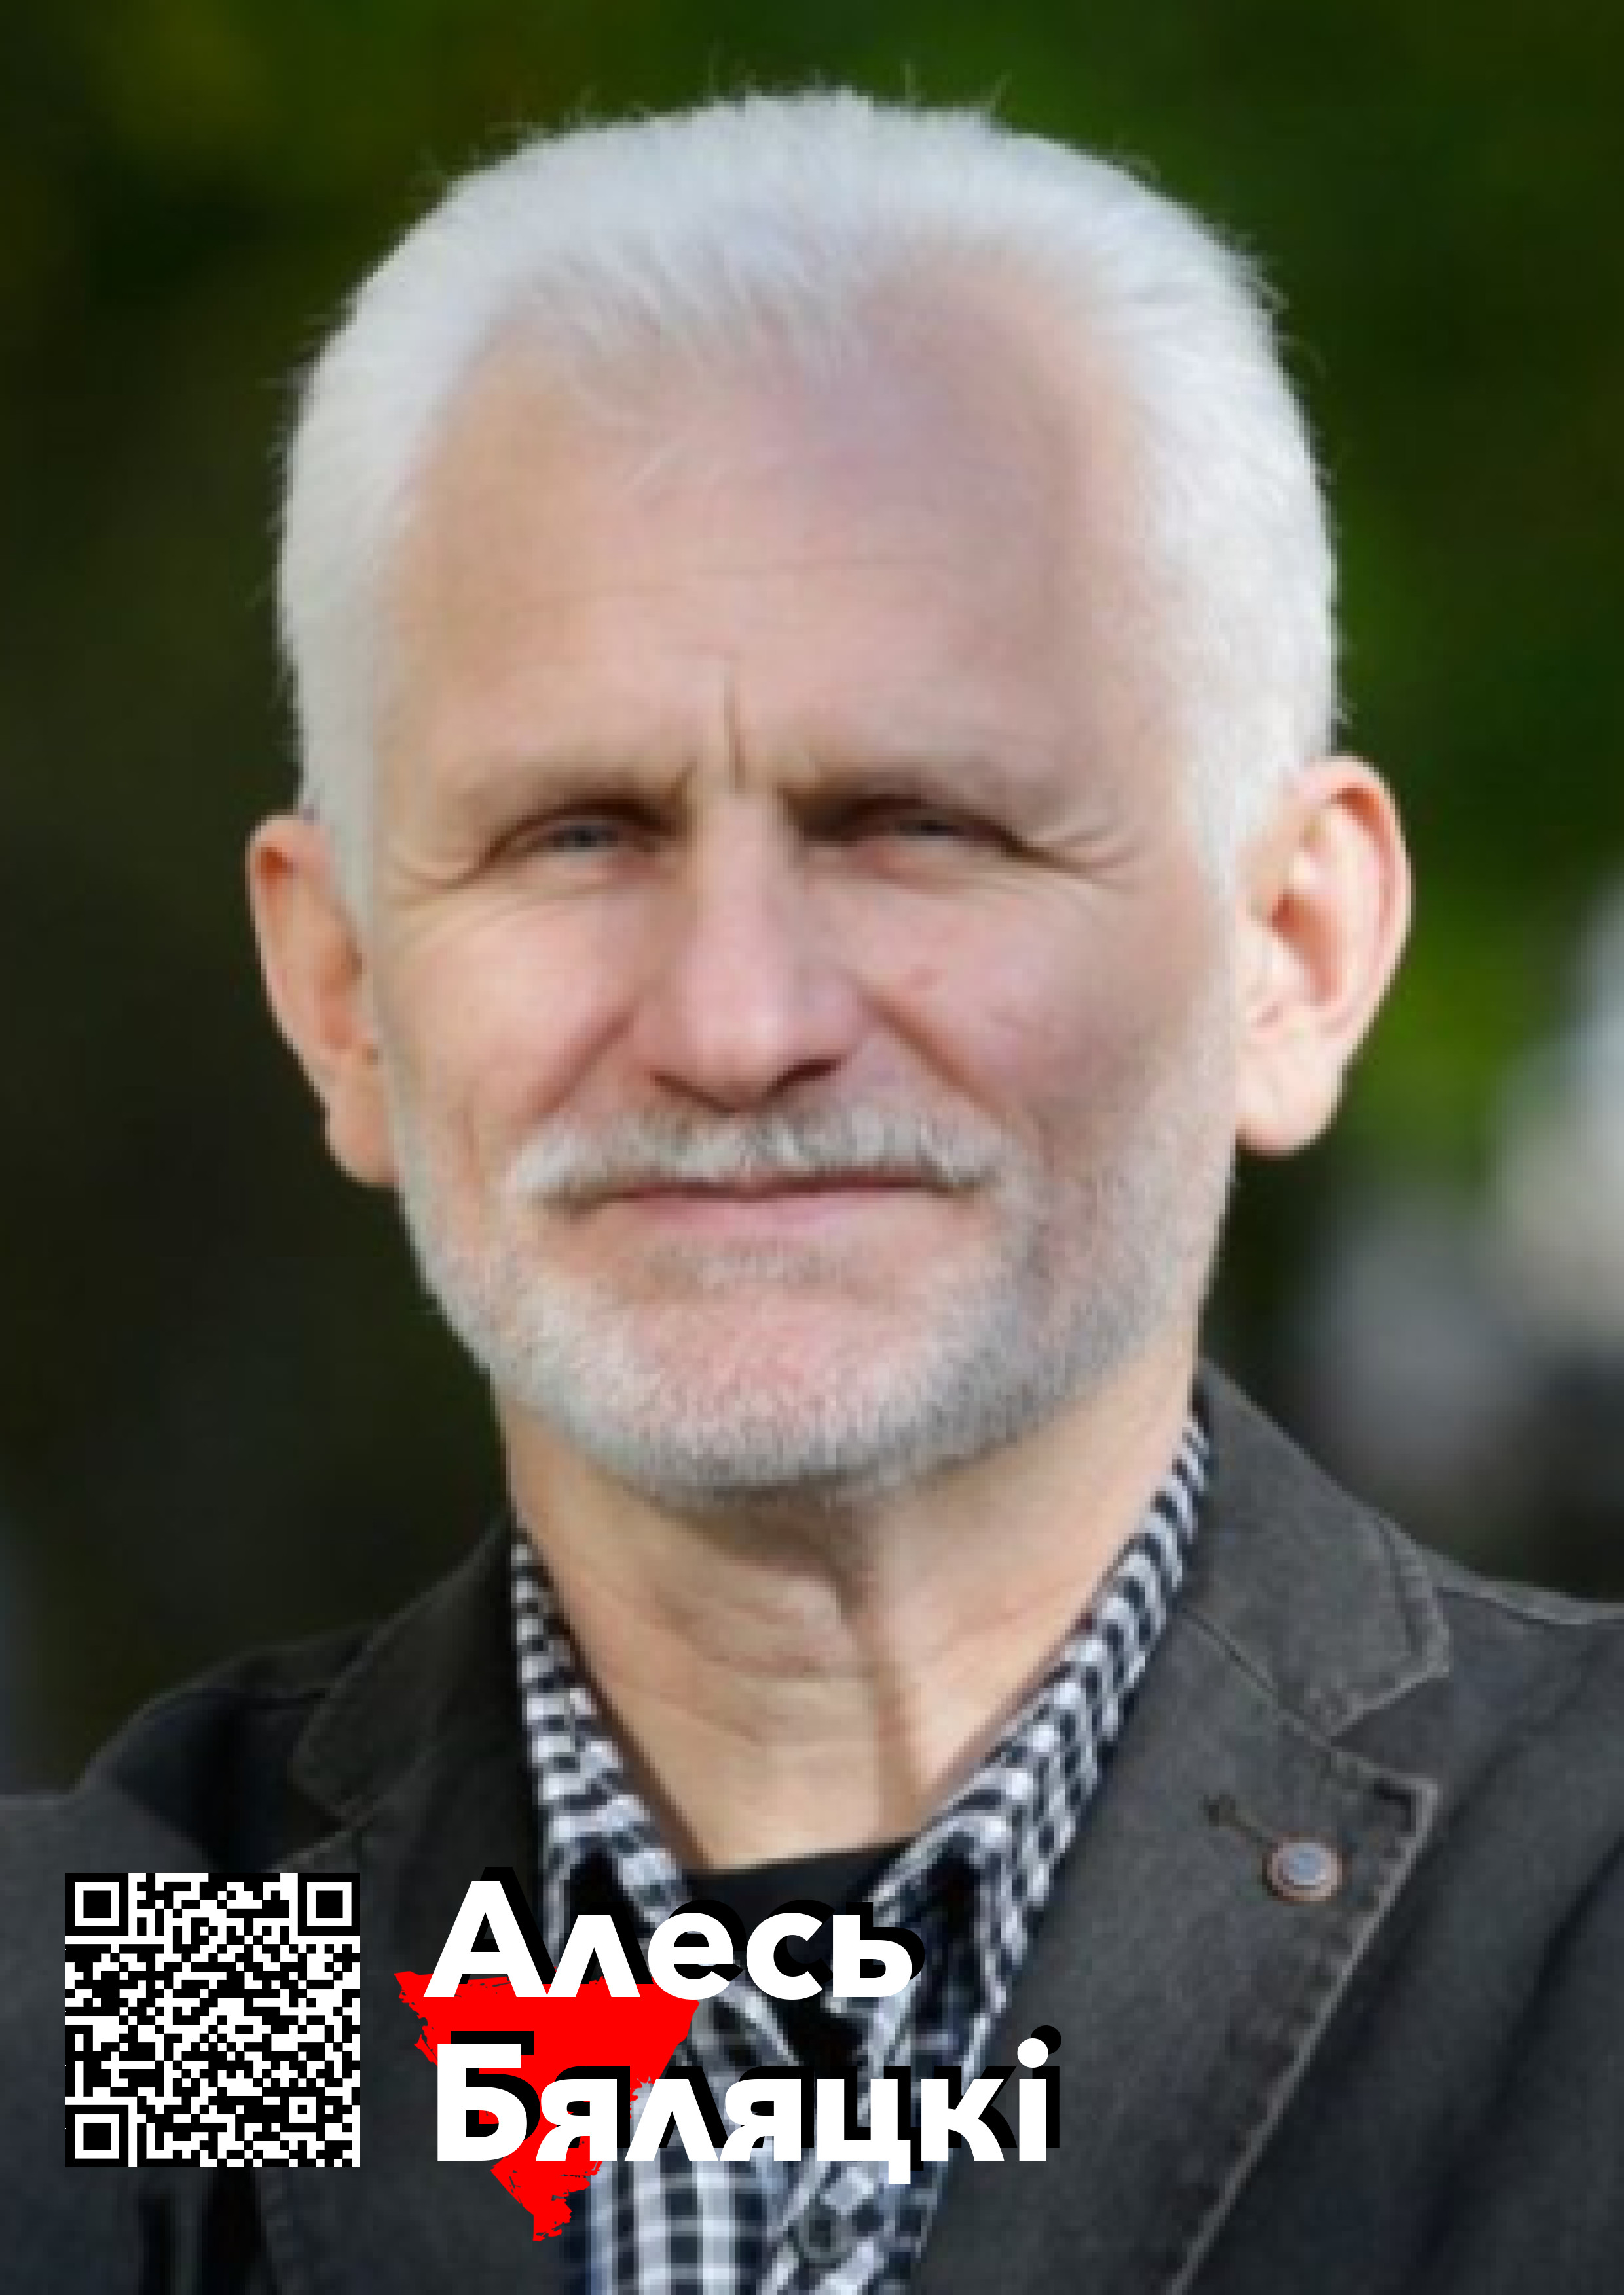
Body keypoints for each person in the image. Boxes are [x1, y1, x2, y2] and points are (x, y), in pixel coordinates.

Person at [3, 89, 1621, 2295]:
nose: (737, 1022)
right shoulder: (194, 1966)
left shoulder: (1570, 1940)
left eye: (916, 823)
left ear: (1292, 949)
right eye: (578, 833)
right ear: (345, 990)